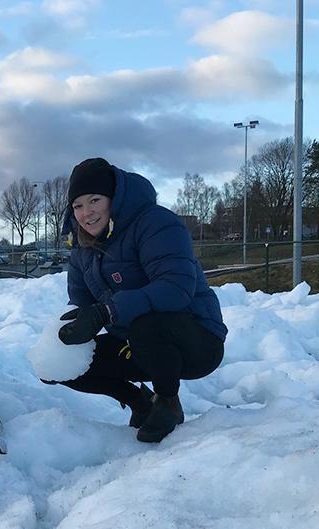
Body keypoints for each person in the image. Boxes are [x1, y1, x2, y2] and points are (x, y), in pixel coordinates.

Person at [52, 157, 227, 443]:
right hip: (135, 344)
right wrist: (64, 338)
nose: (86, 213)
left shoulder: (156, 223)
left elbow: (176, 288)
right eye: (78, 205)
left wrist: (107, 312)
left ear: (114, 199)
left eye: (95, 200)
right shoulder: (82, 248)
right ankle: (139, 402)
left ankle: (168, 402)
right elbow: (81, 304)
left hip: (195, 340)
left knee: (146, 324)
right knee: (64, 361)